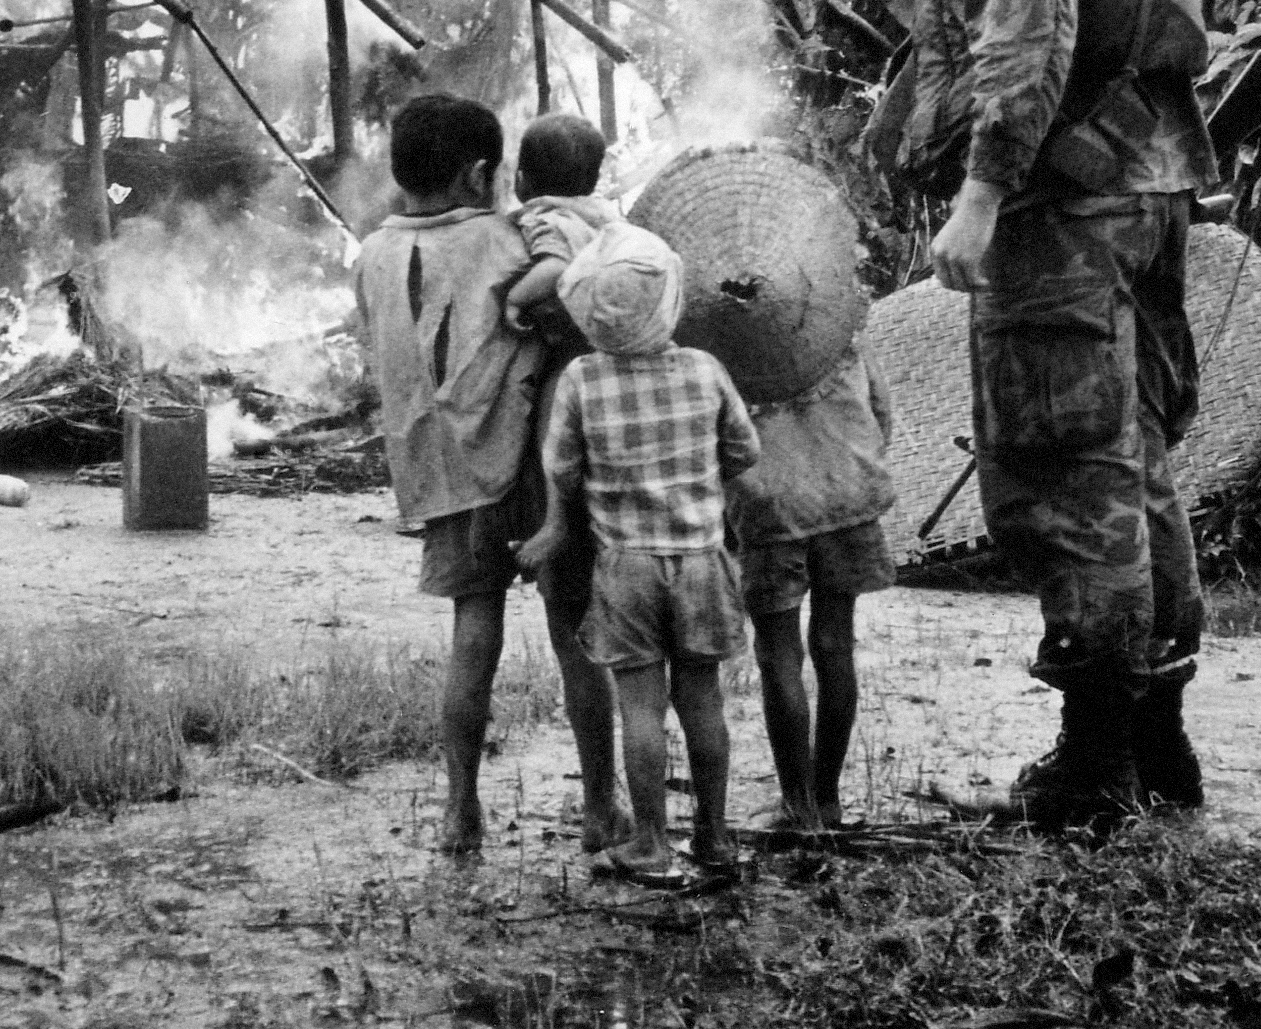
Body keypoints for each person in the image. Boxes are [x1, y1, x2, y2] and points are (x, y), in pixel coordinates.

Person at [840, 0, 1217, 829]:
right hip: (1151, 183)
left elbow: (1028, 32)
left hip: (1065, 196)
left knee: (1069, 472)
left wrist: (983, 191)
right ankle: (1159, 743)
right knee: (1137, 462)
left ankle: (1096, 766)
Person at [353, 94, 625, 857]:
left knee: (474, 636)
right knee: (576, 635)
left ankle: (460, 811)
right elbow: (569, 302)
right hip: (533, 471)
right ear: (480, 174)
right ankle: (602, 810)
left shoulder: (371, 256)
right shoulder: (503, 239)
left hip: (440, 474)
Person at [519, 222, 760, 886]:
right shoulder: (705, 371)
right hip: (703, 561)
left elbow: (561, 468)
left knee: (641, 707)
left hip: (624, 566)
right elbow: (744, 450)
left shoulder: (582, 379)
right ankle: (712, 840)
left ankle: (650, 844)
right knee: (703, 701)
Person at [732, 330, 897, 837]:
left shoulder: (731, 353)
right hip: (846, 498)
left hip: (771, 508)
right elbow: (882, 416)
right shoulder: (844, 342)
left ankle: (797, 805)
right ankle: (827, 799)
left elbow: (721, 440)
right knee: (835, 643)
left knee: (778, 654)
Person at [503, 111, 618, 333]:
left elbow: (556, 266)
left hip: (574, 323)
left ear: (521, 178)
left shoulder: (545, 217)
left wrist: (515, 299)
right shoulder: (598, 211)